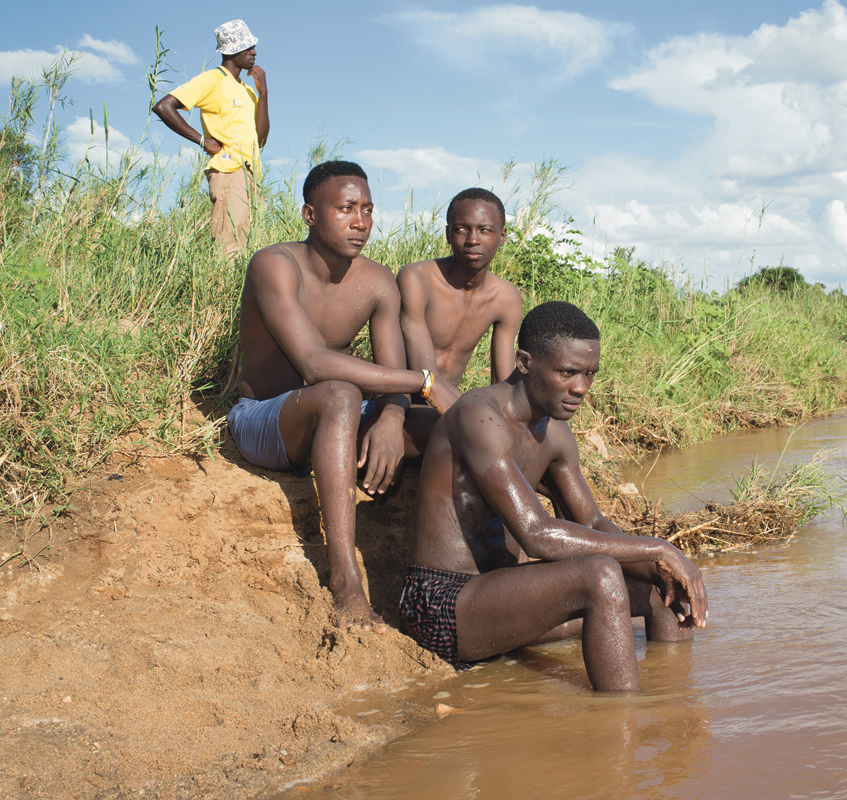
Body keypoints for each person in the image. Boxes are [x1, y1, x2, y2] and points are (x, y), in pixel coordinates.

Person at [400, 301, 708, 691]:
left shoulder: (556, 433)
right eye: (568, 372)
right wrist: (658, 548)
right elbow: (536, 534)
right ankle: (622, 729)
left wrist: (662, 568)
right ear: (525, 362)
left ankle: (673, 708)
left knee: (660, 591)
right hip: (442, 604)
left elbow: (592, 522)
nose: (580, 387)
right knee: (600, 575)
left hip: (508, 595)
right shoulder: (479, 416)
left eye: (589, 374)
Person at [230, 160, 446, 630]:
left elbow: (388, 372)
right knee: (341, 394)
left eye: (368, 209)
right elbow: (313, 363)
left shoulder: (376, 281)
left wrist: (392, 420)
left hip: (340, 422)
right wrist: (423, 382)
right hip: (267, 420)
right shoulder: (274, 264)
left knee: (443, 428)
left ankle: (452, 579)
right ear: (310, 215)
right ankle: (345, 582)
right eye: (346, 208)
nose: (361, 222)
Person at [397, 188, 521, 454]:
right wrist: (476, 418)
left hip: (450, 408)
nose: (472, 240)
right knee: (477, 438)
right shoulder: (418, 279)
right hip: (405, 406)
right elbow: (426, 378)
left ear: (502, 237)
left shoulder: (506, 298)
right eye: (462, 229)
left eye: (485, 230)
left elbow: (505, 384)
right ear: (447, 234)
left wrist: (511, 421)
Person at [152, 19, 269, 258]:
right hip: (229, 172)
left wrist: (264, 94)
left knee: (250, 248)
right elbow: (164, 106)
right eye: (248, 47)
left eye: (253, 46)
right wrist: (201, 139)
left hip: (251, 174)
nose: (254, 52)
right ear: (231, 50)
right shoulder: (213, 80)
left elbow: (261, 139)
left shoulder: (247, 91)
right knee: (229, 247)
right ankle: (220, 293)